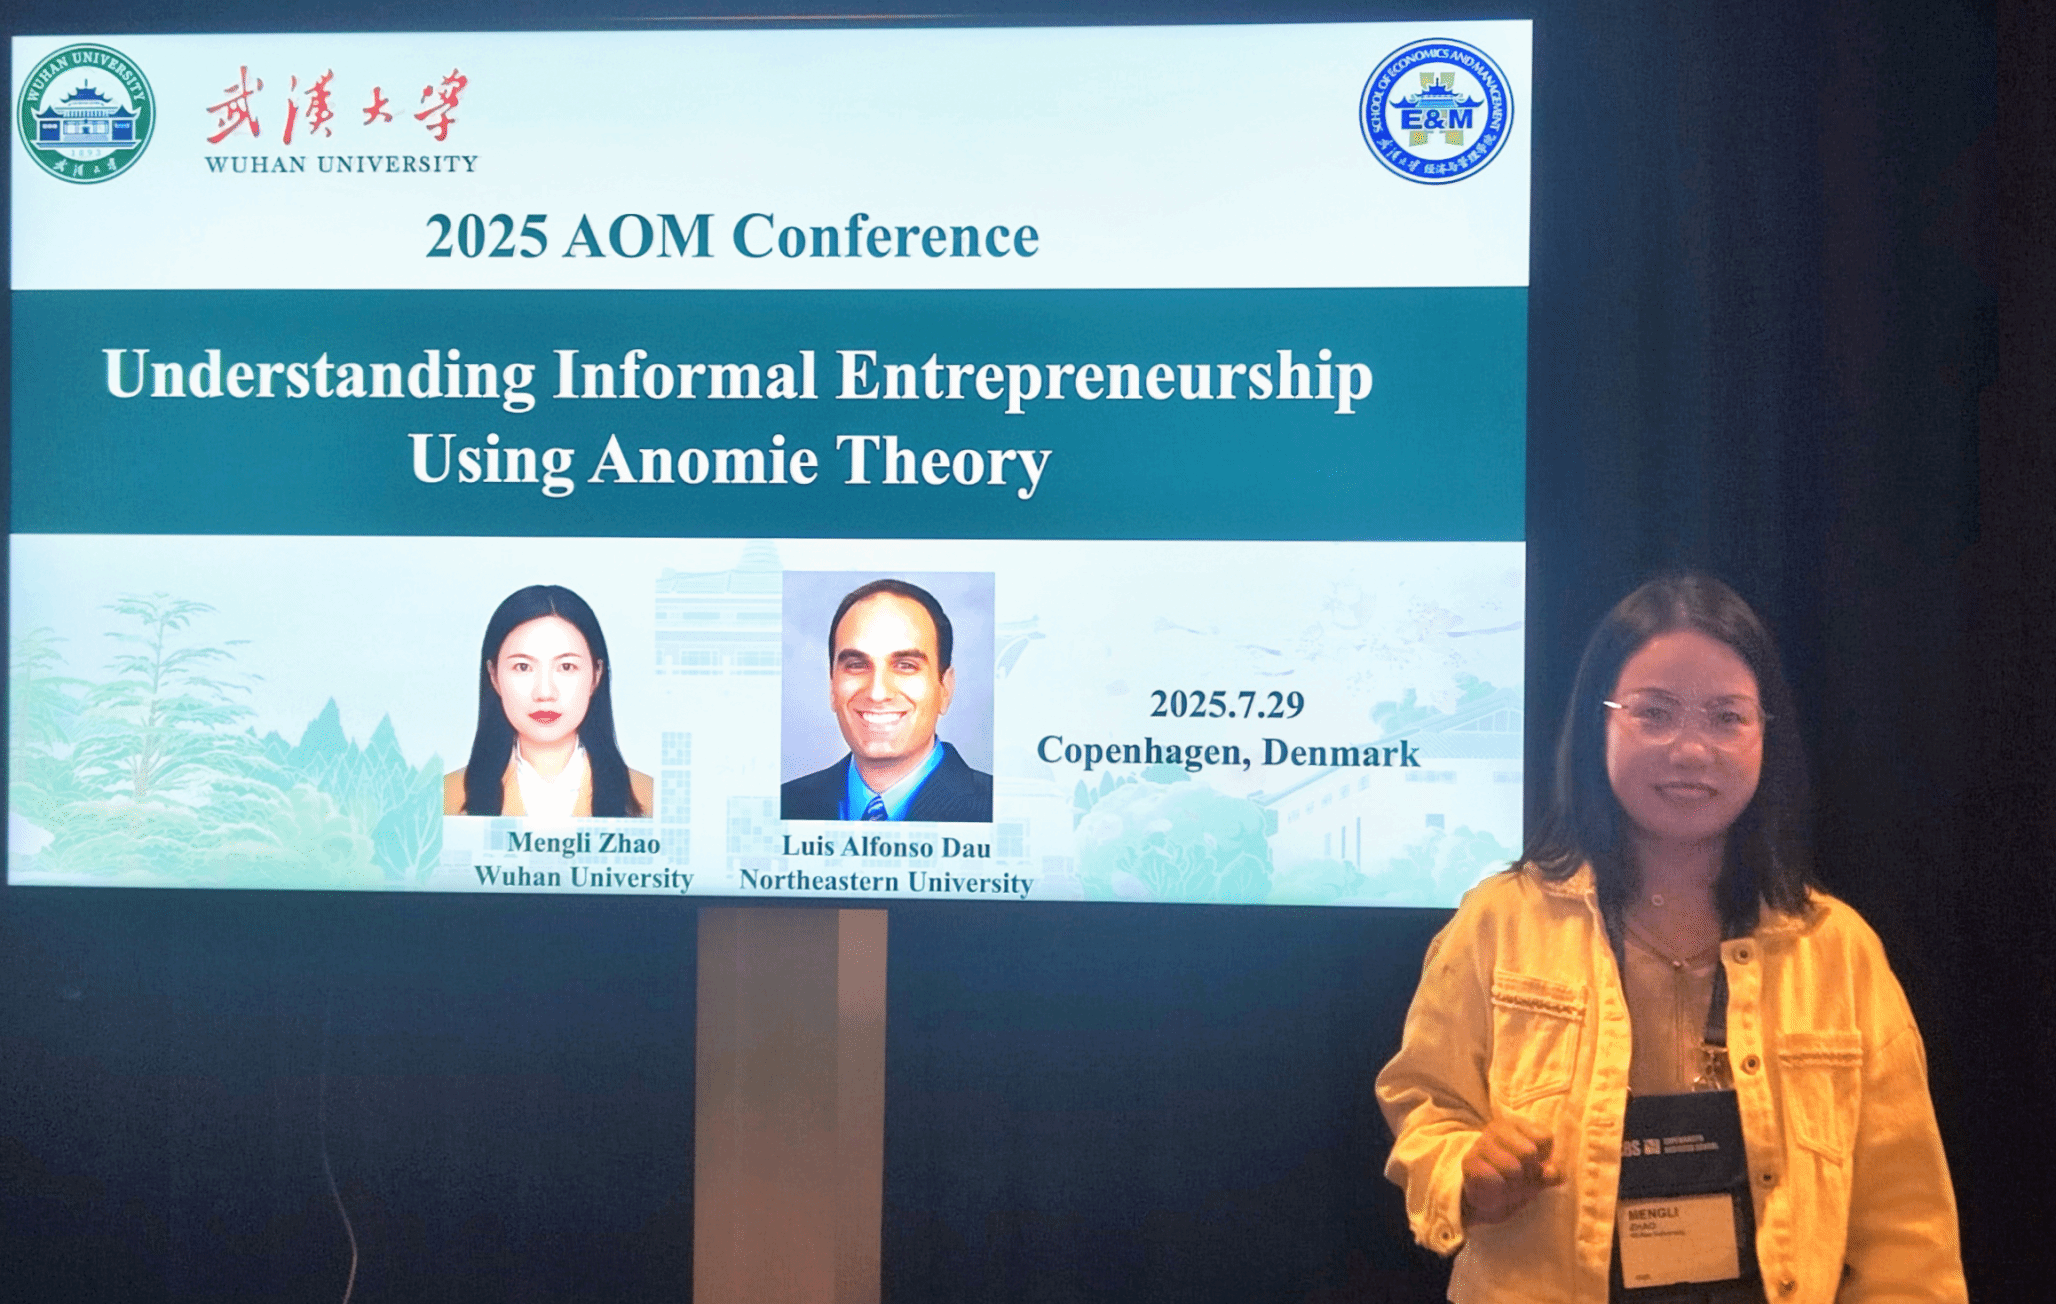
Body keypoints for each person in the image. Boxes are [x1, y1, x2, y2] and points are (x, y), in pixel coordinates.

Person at [1376, 576, 1964, 1303]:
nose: (1691, 749)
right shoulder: (1502, 921)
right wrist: (1467, 1169)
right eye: (1654, 713)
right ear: (1598, 725)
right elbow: (1425, 1106)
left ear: (1766, 734)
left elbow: (1907, 1229)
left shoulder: (1835, 950)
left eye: (1727, 717)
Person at [781, 578, 993, 823]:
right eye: (856, 665)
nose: (877, 693)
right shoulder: (785, 804)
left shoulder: (1000, 808)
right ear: (832, 686)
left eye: (905, 666)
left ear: (945, 688)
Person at [444, 584, 653, 818]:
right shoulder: (442, 799)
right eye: (523, 667)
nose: (544, 692)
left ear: (596, 675)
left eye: (566, 666)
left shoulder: (650, 798)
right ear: (494, 676)